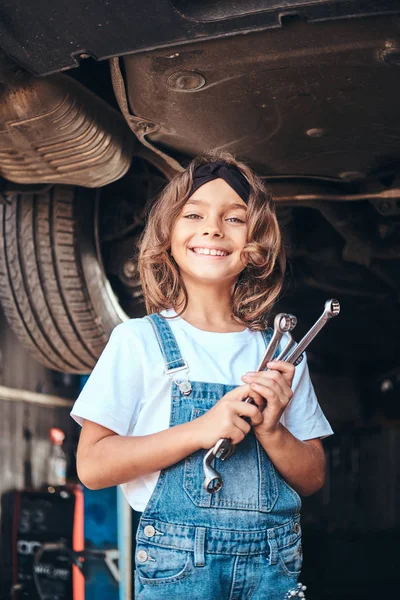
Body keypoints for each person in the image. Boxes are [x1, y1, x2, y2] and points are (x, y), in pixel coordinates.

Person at [71, 152, 333, 600]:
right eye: (194, 214)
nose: (213, 228)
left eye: (234, 218)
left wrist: (271, 430)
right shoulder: (137, 341)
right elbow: (93, 467)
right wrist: (199, 430)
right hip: (179, 568)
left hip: (274, 566)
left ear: (257, 245)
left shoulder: (285, 353)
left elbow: (311, 477)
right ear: (167, 237)